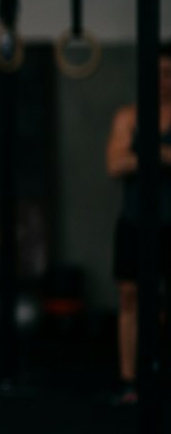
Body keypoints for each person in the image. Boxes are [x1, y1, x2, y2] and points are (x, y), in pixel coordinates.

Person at [105, 41, 171, 405]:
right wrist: (161, 157)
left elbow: (131, 159)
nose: (165, 81)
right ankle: (129, 378)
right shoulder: (128, 117)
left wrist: (149, 153)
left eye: (170, 74)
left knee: (161, 303)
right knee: (130, 297)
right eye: (160, 74)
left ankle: (156, 367)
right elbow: (114, 165)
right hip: (135, 221)